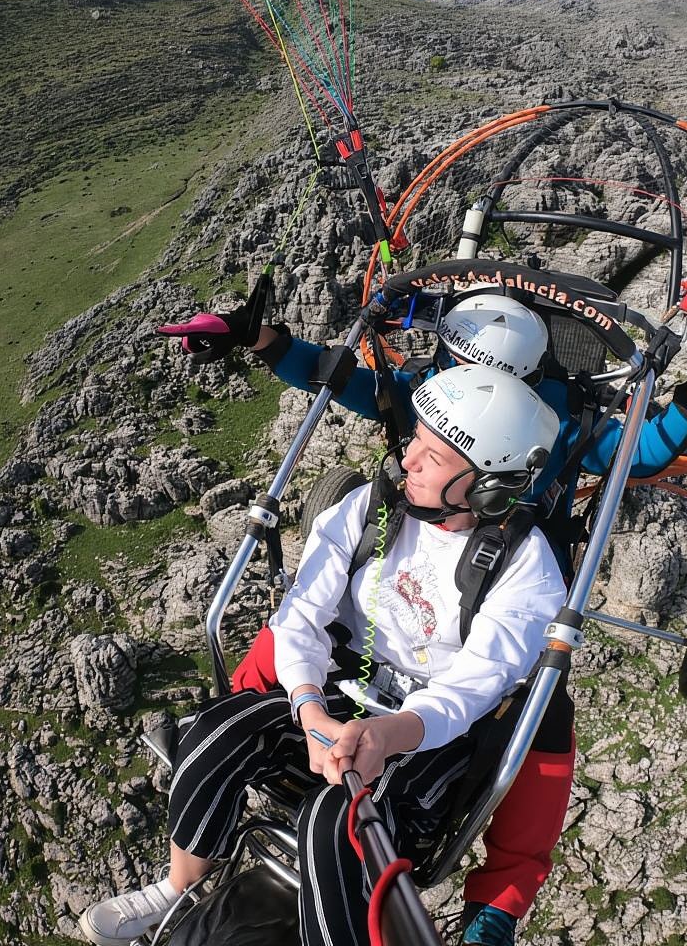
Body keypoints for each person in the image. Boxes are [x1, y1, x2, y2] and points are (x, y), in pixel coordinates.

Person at [156, 289, 687, 945]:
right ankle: (230, 754)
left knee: (539, 709)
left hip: (489, 578)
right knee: (311, 622)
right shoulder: (432, 411)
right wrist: (262, 339)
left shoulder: (544, 447)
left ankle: (499, 902)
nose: (439, 371)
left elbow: (636, 452)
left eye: (453, 360)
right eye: (444, 359)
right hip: (406, 567)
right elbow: (344, 379)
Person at [78, 365, 566, 946]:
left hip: (425, 735)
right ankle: (177, 889)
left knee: (336, 821)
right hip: (338, 692)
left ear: (486, 485)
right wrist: (309, 708)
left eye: (432, 457)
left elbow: (470, 692)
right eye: (415, 440)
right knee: (218, 731)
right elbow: (302, 616)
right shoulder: (370, 510)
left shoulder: (525, 572)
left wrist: (386, 737)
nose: (407, 459)